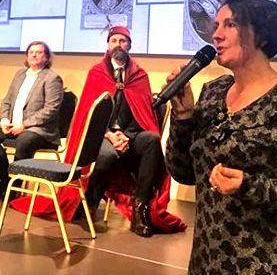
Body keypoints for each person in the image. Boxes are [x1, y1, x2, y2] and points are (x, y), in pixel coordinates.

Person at [165, 0, 277, 274]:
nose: (216, 34)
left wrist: (250, 186)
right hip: (210, 261)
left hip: (272, 262)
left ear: (261, 34)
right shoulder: (213, 93)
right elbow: (184, 173)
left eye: (230, 24)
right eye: (216, 25)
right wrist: (184, 116)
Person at [11, 26, 186, 237]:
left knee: (152, 140)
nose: (118, 44)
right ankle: (90, 201)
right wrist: (110, 135)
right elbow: (88, 115)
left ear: (129, 45)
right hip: (101, 134)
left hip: (129, 134)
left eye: (123, 41)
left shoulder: (140, 76)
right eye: (114, 41)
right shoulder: (97, 73)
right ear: (108, 45)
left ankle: (141, 209)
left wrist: (126, 136)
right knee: (106, 155)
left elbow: (143, 114)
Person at [0, 41, 63, 196]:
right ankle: (5, 178)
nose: (34, 55)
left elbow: (51, 109)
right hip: (12, 126)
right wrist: (4, 120)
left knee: (25, 140)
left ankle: (14, 189)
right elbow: (7, 100)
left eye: (39, 52)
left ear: (47, 57)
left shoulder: (52, 78)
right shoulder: (20, 75)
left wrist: (24, 125)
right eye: (31, 52)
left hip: (40, 132)